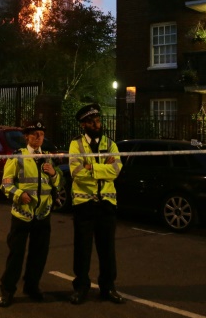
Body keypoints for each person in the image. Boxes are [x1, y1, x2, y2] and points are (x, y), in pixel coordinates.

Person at [0, 121, 62, 308]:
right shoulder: (17, 157)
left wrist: (54, 175)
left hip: (43, 214)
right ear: (26, 137)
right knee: (16, 255)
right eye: (34, 134)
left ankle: (32, 286)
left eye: (41, 134)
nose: (39, 138)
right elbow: (6, 184)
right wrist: (19, 194)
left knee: (39, 255)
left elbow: (59, 185)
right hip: (22, 214)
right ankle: (7, 289)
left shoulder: (48, 158)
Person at [68, 103, 124, 305]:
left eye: (98, 120)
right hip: (84, 205)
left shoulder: (111, 144)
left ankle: (108, 288)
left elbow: (116, 170)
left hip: (107, 204)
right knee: (82, 249)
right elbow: (76, 173)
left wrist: (90, 166)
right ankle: (81, 287)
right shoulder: (76, 145)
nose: (97, 124)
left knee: (107, 249)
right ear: (84, 125)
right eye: (92, 121)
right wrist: (101, 168)